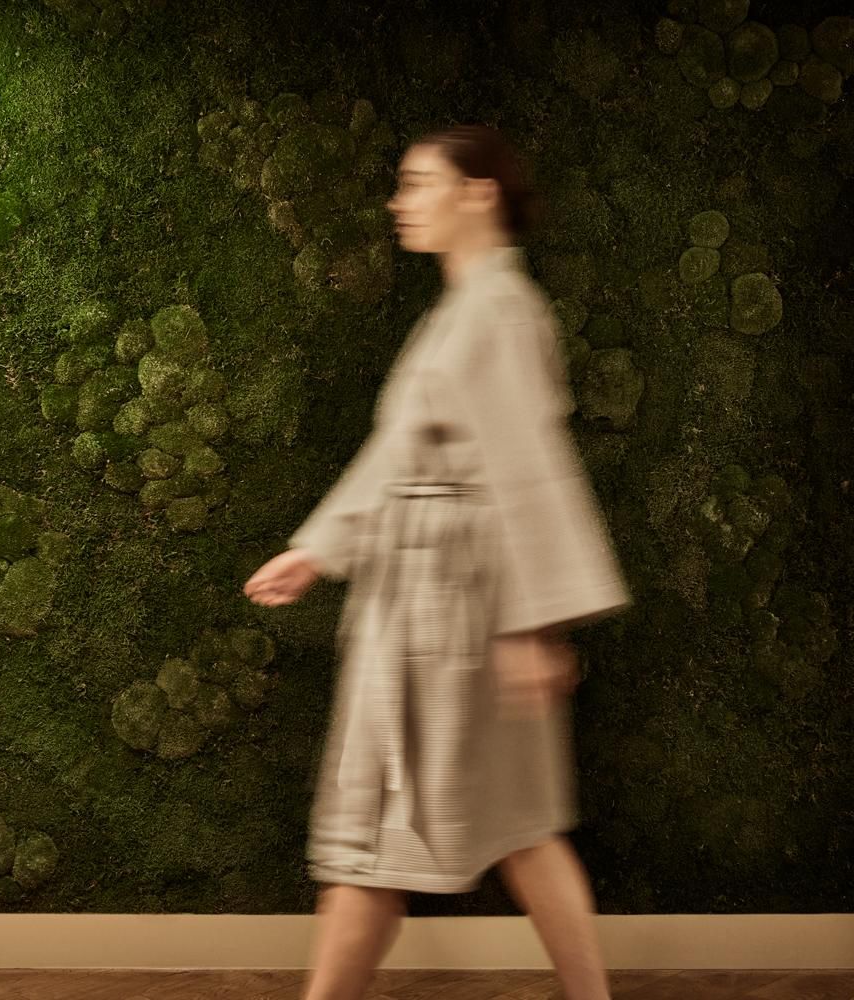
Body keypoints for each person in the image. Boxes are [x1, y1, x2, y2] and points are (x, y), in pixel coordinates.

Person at [243, 124, 631, 1000]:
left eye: (419, 182)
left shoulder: (499, 314)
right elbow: (396, 455)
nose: (400, 202)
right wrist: (318, 550)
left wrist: (529, 626)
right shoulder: (461, 313)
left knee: (439, 832)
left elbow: (529, 469)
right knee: (498, 829)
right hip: (425, 599)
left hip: (463, 609)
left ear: (478, 194)